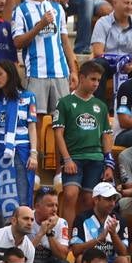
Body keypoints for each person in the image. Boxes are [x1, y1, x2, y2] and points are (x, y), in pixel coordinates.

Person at [13, 0, 78, 119]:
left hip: (60, 72)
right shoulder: (21, 10)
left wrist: (73, 70)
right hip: (36, 73)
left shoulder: (57, 8)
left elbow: (64, 42)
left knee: (61, 121)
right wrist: (39, 26)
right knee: (36, 120)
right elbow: (17, 43)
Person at [52, 60, 111, 222]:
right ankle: (66, 239)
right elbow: (58, 134)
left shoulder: (101, 105)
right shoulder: (64, 102)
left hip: (96, 158)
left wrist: (109, 163)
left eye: (99, 80)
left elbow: (106, 135)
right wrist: (67, 159)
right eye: (93, 79)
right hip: (74, 158)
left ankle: (81, 238)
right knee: (70, 195)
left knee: (89, 200)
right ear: (82, 78)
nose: (96, 84)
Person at [0, 63, 38, 216]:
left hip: (21, 150)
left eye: (0, 74)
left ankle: (22, 233)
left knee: (21, 193)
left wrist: (34, 154)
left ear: (10, 74)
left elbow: (32, 127)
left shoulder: (28, 97)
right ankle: (2, 232)